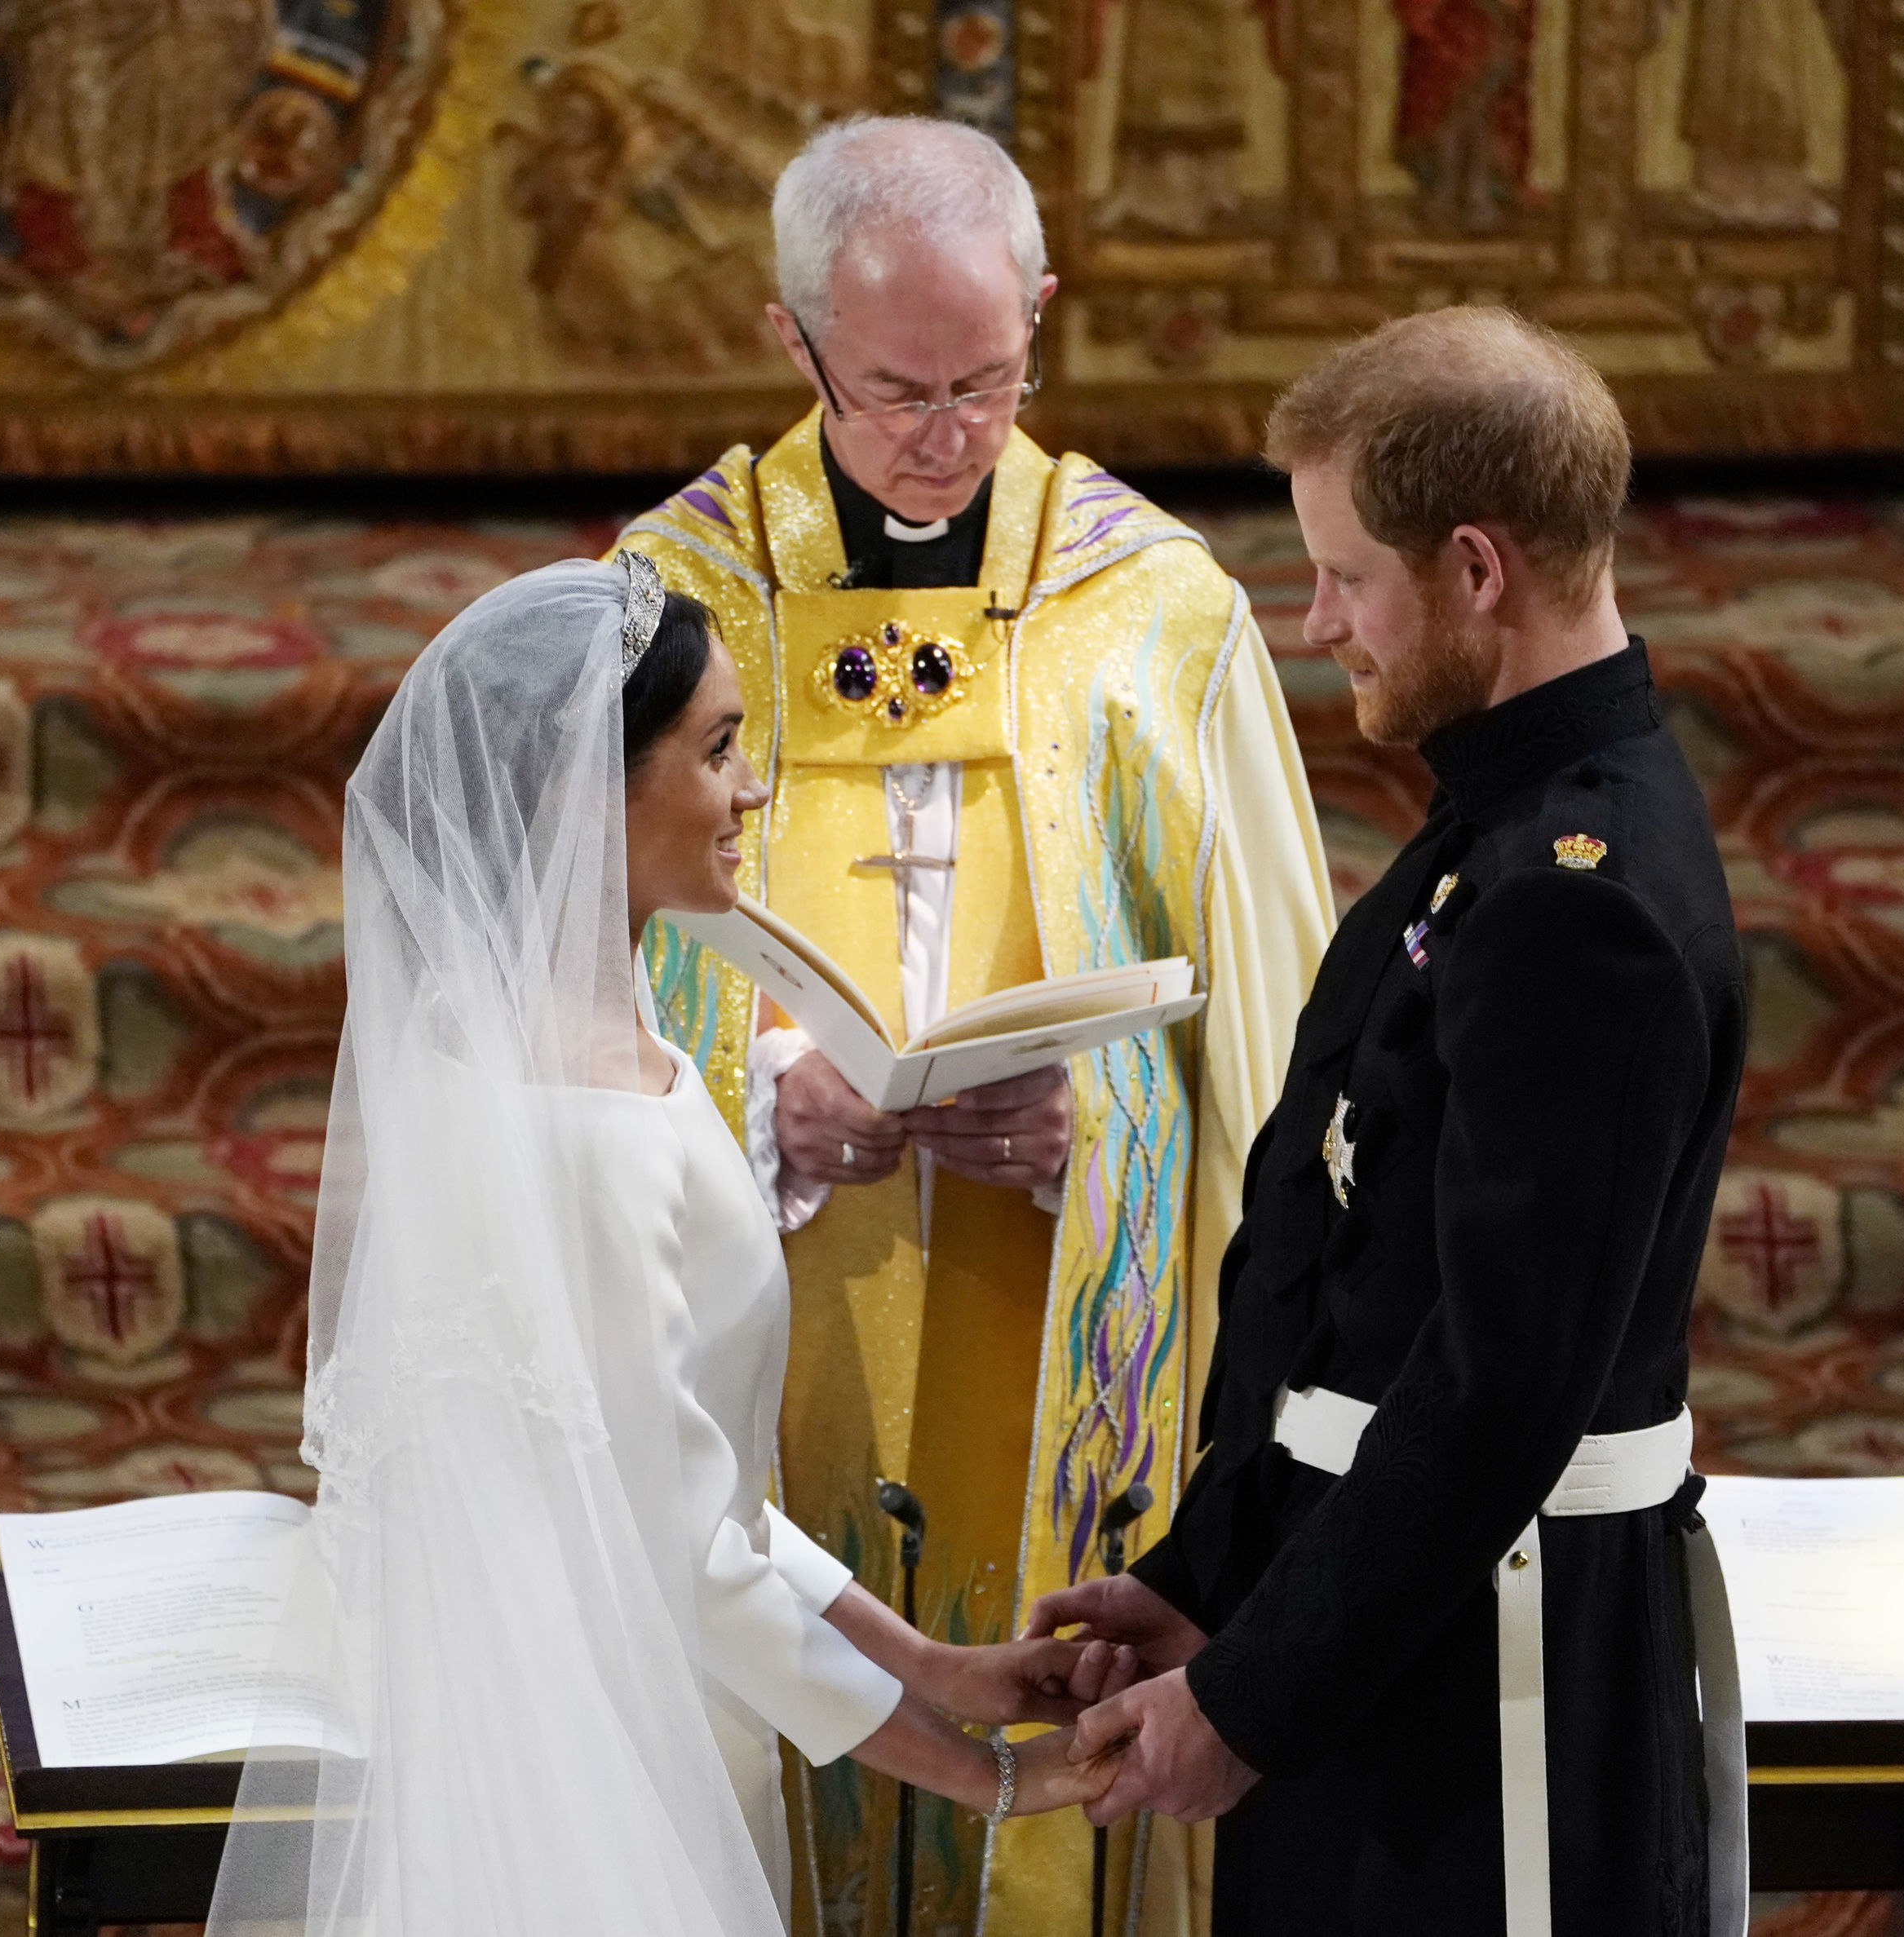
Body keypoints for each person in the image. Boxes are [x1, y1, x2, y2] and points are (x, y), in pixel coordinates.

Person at [618, 115, 1334, 1927]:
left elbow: (1283, 1041)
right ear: (792, 347)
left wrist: (1112, 1135)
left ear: (1042, 313)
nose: (948, 433)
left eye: (989, 379)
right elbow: (553, 986)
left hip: (1066, 1311)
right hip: (788, 1306)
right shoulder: (673, 599)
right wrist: (750, 1109)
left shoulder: (1153, 612)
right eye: (895, 391)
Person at [202, 558, 1114, 1937]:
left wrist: (936, 1662)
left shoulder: (563, 1034)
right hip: (599, 1760)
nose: (756, 792)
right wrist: (985, 1778)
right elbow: (687, 1564)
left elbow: (692, 1484)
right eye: (719, 750)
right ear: (592, 795)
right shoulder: (581, 1121)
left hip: (616, 1701)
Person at [1029, 307, 1753, 1936]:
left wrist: (1249, 1701)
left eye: (1346, 576)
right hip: (1390, 1622)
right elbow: (1347, 1289)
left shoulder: (1581, 904)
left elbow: (1497, 1392)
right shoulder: (1498, 830)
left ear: (1476, 571)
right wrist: (1203, 1578)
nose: (1319, 622)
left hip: (1491, 1674)